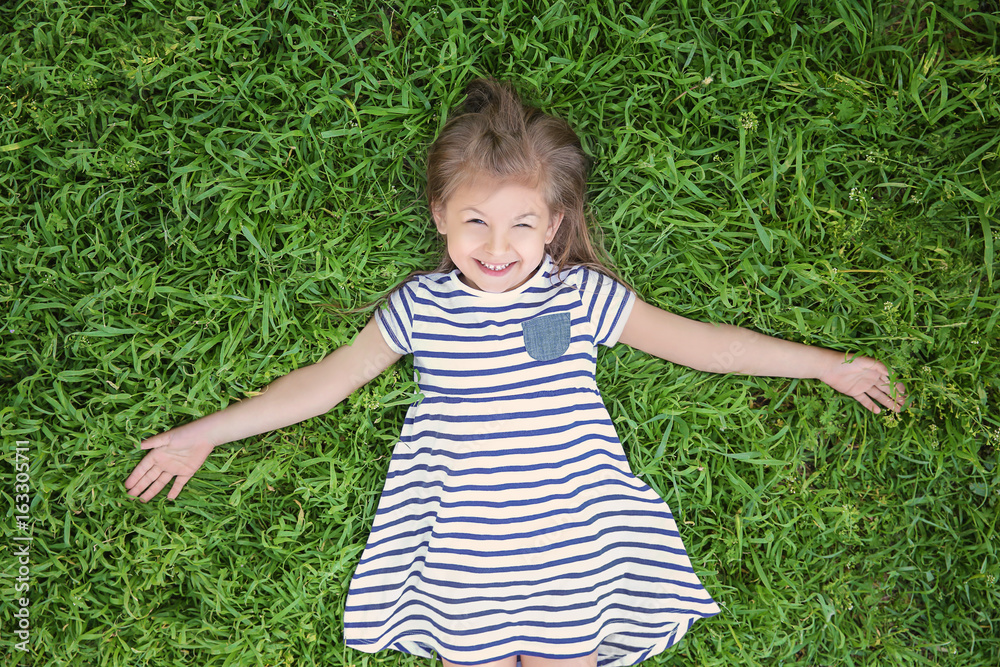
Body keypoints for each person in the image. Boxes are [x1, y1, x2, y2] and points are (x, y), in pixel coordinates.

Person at [125, 78, 906, 667]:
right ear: (438, 213)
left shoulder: (580, 296)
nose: (497, 245)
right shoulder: (419, 309)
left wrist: (825, 366)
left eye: (522, 224)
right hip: (465, 552)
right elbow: (324, 383)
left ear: (554, 224)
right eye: (474, 220)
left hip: (572, 540)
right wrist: (204, 434)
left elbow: (702, 343)